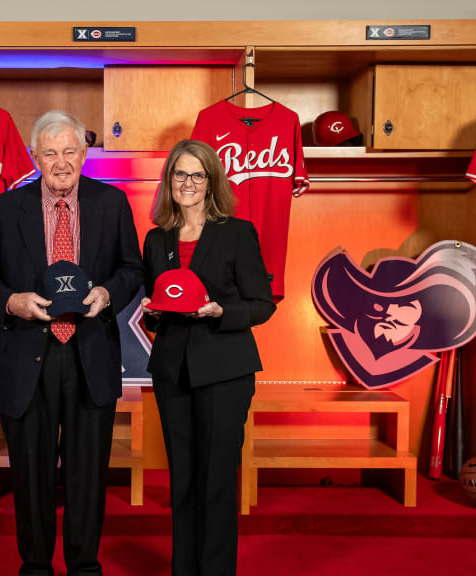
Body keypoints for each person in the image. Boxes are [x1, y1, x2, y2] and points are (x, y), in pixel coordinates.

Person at [0, 110, 143, 576]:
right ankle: (36, 566)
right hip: (28, 354)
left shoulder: (113, 202)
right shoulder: (4, 209)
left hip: (90, 354)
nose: (61, 162)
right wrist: (11, 302)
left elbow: (133, 269)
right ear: (33, 156)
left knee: (88, 474)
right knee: (30, 473)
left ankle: (85, 564)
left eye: (69, 151)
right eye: (50, 153)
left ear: (84, 153)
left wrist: (108, 293)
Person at [141, 139, 276, 576]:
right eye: (180, 174)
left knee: (216, 480)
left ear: (212, 181)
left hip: (224, 370)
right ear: (169, 181)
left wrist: (221, 311)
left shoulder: (238, 233)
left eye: (197, 175)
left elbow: (262, 304)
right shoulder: (155, 239)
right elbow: (159, 312)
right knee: (181, 478)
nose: (188, 183)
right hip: (171, 372)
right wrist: (153, 315)